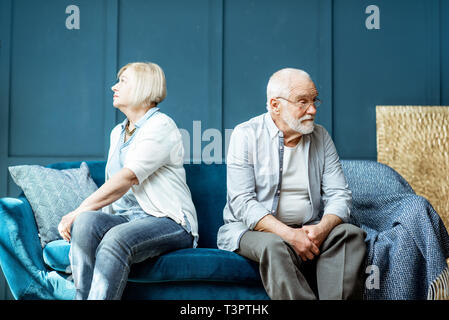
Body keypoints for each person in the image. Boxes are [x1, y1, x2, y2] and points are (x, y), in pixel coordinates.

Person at [217, 68, 367, 300]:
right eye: (302, 102)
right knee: (274, 247)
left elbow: (340, 195)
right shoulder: (245, 135)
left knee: (349, 234)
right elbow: (242, 202)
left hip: (311, 227)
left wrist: (321, 229)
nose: (313, 110)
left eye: (314, 100)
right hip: (254, 231)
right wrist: (289, 235)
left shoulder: (321, 136)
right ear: (275, 105)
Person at [57, 62, 198, 300]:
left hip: (168, 220)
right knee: (87, 222)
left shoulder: (161, 125)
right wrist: (82, 216)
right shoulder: (117, 132)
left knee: (114, 238)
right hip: (126, 219)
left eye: (123, 81)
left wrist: (77, 210)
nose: (114, 86)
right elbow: (114, 187)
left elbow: (128, 177)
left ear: (143, 86)